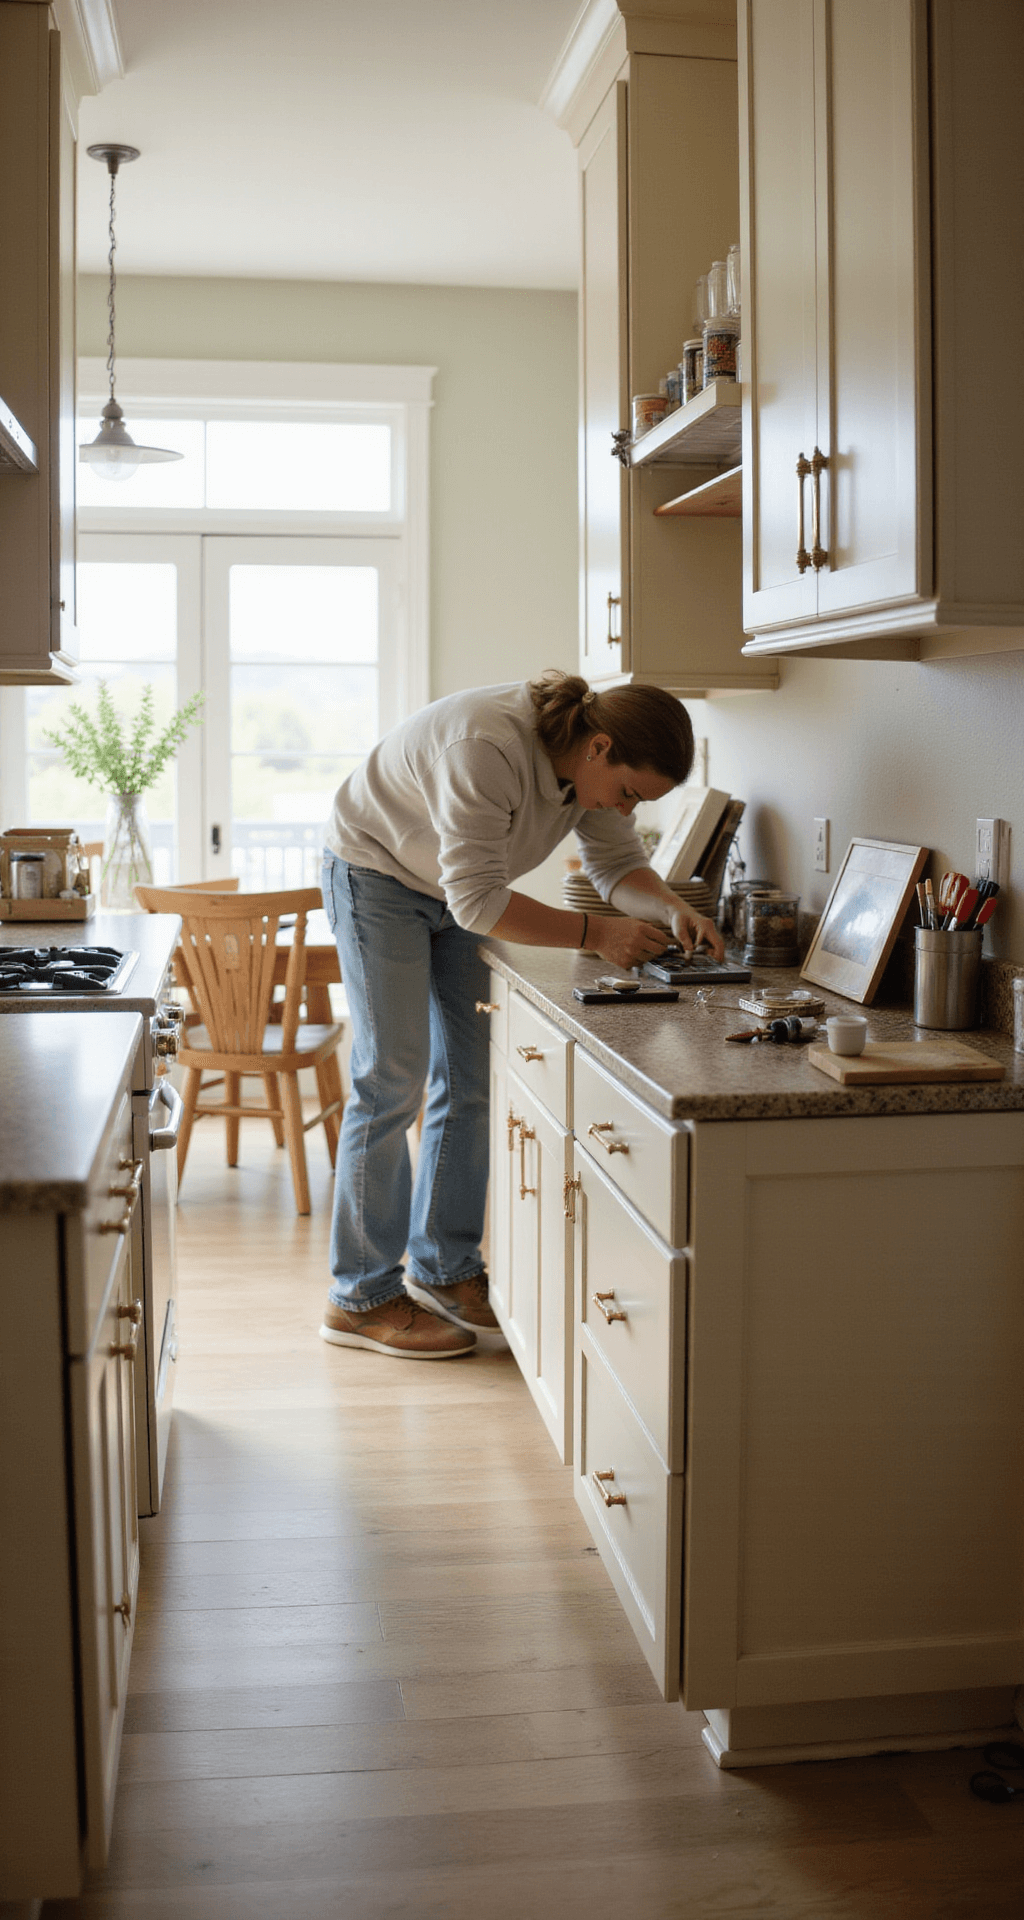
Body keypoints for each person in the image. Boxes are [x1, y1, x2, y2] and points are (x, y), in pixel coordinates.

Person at [319, 671, 723, 1360]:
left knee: (471, 1077)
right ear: (600, 747)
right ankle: (359, 1297)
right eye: (629, 793)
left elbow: (615, 865)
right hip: (375, 872)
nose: (624, 808)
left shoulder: (592, 767)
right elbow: (480, 902)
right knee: (391, 1078)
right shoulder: (486, 748)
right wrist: (597, 935)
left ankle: (444, 1267)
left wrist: (672, 908)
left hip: (456, 889)